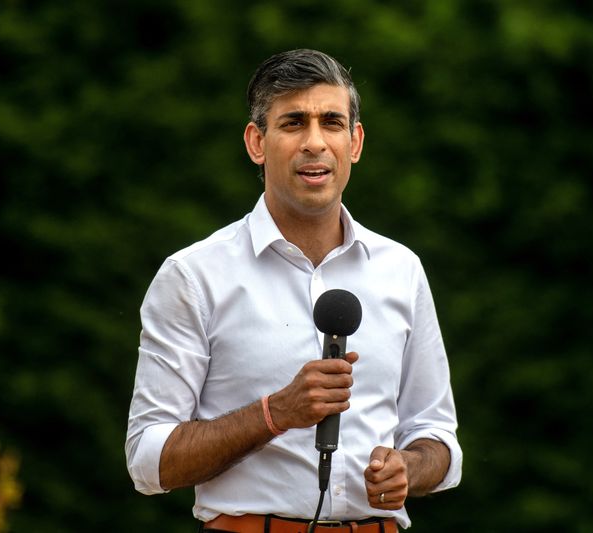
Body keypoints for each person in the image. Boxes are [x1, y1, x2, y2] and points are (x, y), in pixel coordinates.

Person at [125, 49, 462, 532]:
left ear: (356, 142)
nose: (315, 143)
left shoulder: (401, 270)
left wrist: (409, 468)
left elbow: (438, 440)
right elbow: (148, 461)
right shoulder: (194, 275)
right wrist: (274, 414)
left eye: (331, 122)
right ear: (256, 142)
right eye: (293, 124)